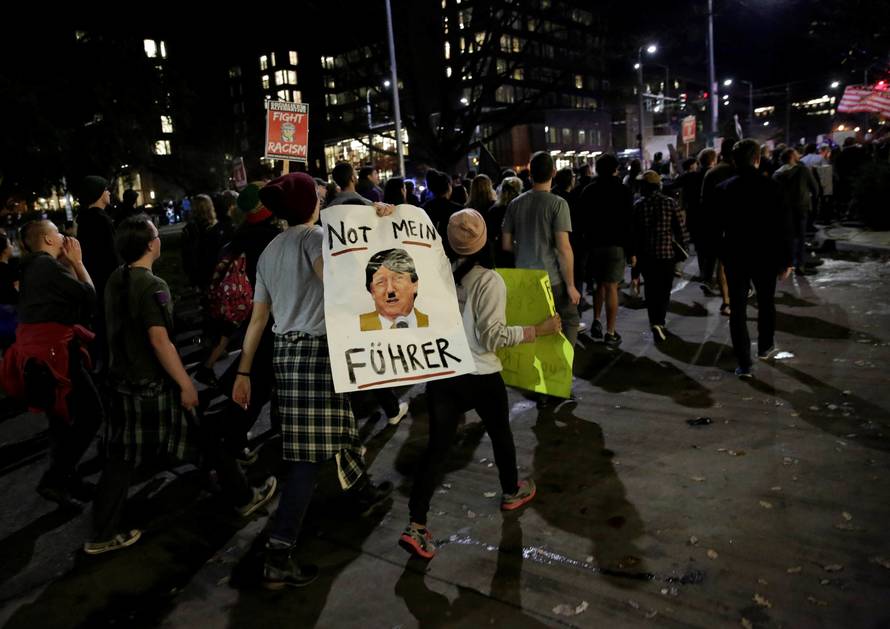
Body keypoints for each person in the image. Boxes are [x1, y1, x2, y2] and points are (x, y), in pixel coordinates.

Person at [232, 174, 393, 589]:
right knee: (307, 455)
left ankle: (362, 492)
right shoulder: (315, 239)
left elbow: (258, 320)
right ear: (311, 204)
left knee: (338, 425)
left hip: (287, 354)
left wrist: (244, 370)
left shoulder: (269, 250)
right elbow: (339, 286)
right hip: (318, 352)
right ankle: (279, 551)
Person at [85, 214, 276, 555]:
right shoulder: (153, 287)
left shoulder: (117, 278)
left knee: (121, 460)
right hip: (154, 384)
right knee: (206, 434)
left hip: (123, 383)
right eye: (156, 235)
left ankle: (102, 531)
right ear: (149, 245)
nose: (159, 239)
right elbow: (160, 341)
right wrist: (184, 381)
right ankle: (243, 496)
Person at [398, 209, 559, 560]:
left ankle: (416, 524)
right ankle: (511, 490)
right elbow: (493, 337)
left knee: (437, 449)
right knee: (501, 434)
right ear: (484, 240)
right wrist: (539, 330)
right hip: (481, 374)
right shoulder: (488, 281)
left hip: (444, 372)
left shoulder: (433, 274)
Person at [0, 220, 100, 507]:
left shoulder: (34, 265)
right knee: (91, 414)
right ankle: (55, 479)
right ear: (46, 239)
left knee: (62, 423)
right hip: (54, 355)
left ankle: (67, 480)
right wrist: (79, 263)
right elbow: (89, 297)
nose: (64, 236)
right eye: (58, 232)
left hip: (39, 357)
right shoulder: (45, 266)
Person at [716, 139, 793, 378]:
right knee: (766, 302)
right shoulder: (772, 186)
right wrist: (786, 260)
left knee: (738, 309)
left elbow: (716, 227)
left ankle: (744, 362)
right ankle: (765, 346)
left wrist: (722, 255)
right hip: (766, 254)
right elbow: (784, 226)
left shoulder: (724, 188)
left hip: (736, 254)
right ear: (757, 158)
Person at [502, 151, 581, 348]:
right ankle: (562, 367)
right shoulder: (558, 204)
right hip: (551, 278)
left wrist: (523, 252)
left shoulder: (514, 204)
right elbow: (564, 249)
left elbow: (505, 244)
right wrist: (570, 285)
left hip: (523, 278)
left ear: (530, 174)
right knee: (569, 318)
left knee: (532, 323)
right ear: (553, 172)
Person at [579, 154, 635, 348]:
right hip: (615, 245)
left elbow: (582, 220)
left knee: (598, 284)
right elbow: (629, 222)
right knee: (611, 286)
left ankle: (596, 320)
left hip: (594, 245)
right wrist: (632, 251)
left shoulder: (588, 191)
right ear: (614, 169)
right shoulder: (623, 191)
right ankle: (610, 332)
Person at [631, 171, 689, 342]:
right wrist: (682, 251)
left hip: (646, 255)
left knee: (650, 288)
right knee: (664, 290)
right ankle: (660, 322)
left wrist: (634, 260)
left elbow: (634, 233)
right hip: (666, 255)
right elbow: (681, 231)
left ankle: (653, 321)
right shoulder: (670, 203)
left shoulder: (639, 205)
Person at [75, 175, 119, 370]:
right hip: (106, 282)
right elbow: (111, 255)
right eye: (106, 189)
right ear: (99, 193)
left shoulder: (85, 220)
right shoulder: (100, 220)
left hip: (94, 280)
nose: (109, 192)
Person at [700, 139, 736, 315]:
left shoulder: (712, 173)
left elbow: (704, 203)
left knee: (722, 265)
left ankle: (726, 301)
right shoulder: (740, 171)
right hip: (738, 224)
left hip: (718, 224)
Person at [772, 148, 819, 275]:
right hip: (801, 207)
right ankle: (800, 265)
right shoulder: (803, 170)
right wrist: (813, 203)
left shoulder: (777, 174)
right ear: (793, 156)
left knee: (787, 237)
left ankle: (787, 265)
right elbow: (815, 188)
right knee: (801, 236)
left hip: (783, 210)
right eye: (797, 153)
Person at [359, 249, 428, 331]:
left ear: (414, 284)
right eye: (380, 282)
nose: (390, 290)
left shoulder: (435, 323)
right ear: (372, 291)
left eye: (398, 279)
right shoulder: (356, 325)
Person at [486, 176, 521, 268]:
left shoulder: (494, 210)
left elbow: (490, 236)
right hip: (519, 252)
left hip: (500, 254)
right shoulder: (521, 209)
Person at [0, 232, 19, 347]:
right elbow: (17, 291)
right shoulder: (11, 270)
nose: (12, 246)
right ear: (4, 250)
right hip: (10, 316)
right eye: (10, 244)